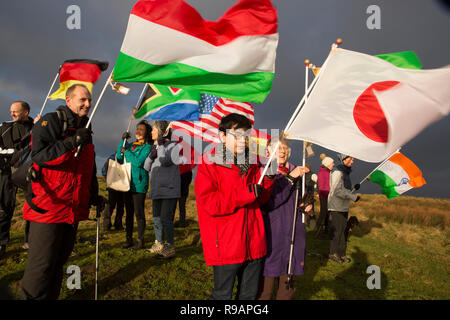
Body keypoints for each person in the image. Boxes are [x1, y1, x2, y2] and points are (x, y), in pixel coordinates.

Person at [20, 84, 103, 300]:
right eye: (82, 100)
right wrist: (72, 142)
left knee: (58, 264)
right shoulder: (51, 121)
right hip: (48, 206)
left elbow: (88, 167)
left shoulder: (86, 126)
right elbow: (39, 156)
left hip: (71, 209)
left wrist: (93, 195)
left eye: (89, 100)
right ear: (68, 100)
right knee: (41, 267)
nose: (87, 104)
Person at [195, 113, 276, 300]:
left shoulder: (254, 164)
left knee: (248, 296)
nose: (242, 139)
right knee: (222, 295)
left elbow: (261, 199)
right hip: (226, 243)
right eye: (236, 134)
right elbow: (211, 203)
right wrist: (245, 194)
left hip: (254, 241)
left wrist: (269, 181)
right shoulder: (209, 163)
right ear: (222, 136)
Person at [257, 137, 313, 300]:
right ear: (268, 151)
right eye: (278, 147)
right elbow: (269, 202)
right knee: (265, 288)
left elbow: (304, 197)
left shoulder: (298, 170)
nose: (283, 151)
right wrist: (290, 178)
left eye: (286, 148)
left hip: (294, 235)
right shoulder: (265, 172)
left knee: (287, 286)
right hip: (272, 233)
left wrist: (308, 205)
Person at [0, 101, 35, 259]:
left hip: (28, 173)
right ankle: (2, 243)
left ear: (26, 112)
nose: (12, 114)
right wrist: (13, 153)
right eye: (11, 111)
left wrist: (40, 125)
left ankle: (30, 240)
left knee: (32, 206)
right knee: (4, 208)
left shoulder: (37, 126)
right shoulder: (4, 127)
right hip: (6, 172)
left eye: (15, 111)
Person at [144, 121, 182, 258]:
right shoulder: (155, 147)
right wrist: (150, 156)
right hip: (157, 189)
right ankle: (158, 243)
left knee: (166, 218)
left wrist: (160, 146)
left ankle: (169, 246)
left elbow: (165, 161)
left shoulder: (174, 146)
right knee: (156, 219)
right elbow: (146, 167)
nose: (151, 132)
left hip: (169, 190)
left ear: (161, 131)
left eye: (153, 129)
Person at [117, 120, 152, 250]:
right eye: (137, 128)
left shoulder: (147, 147)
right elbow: (118, 157)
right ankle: (128, 239)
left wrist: (126, 152)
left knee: (139, 213)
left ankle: (140, 240)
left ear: (147, 133)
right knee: (129, 213)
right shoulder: (130, 145)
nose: (138, 131)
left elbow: (137, 162)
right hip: (127, 183)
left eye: (141, 129)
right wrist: (123, 141)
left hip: (139, 185)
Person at [328, 154, 360, 264]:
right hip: (336, 206)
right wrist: (353, 197)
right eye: (351, 159)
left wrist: (353, 189)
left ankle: (342, 254)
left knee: (342, 231)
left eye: (353, 159)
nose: (352, 161)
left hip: (343, 207)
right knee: (337, 232)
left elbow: (344, 190)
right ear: (344, 159)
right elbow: (337, 191)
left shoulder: (345, 173)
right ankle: (333, 253)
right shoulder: (337, 172)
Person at [101, 152, 125, 231]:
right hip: (119, 186)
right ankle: (111, 225)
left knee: (116, 206)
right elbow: (104, 170)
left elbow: (104, 170)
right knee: (113, 206)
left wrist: (108, 180)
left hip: (117, 186)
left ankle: (111, 225)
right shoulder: (113, 157)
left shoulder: (112, 156)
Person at [316, 154, 334, 236]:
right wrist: (330, 193)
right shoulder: (323, 172)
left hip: (327, 195)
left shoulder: (327, 172)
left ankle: (326, 229)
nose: (333, 164)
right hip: (324, 196)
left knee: (327, 213)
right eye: (332, 163)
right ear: (327, 164)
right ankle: (318, 229)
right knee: (324, 213)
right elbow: (322, 186)